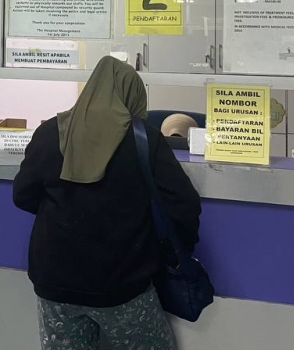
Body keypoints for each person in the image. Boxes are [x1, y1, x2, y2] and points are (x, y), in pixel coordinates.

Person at [13, 56, 201, 350]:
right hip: (122, 282)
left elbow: (22, 195)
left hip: (55, 282)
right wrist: (181, 246)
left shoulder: (50, 132)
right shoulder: (145, 140)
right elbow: (182, 204)